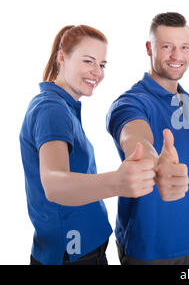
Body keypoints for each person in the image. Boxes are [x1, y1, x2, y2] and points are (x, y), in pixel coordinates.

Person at [20, 25, 155, 265]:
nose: (97, 72)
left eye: (102, 65)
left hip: (80, 250)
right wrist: (118, 182)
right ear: (62, 57)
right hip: (74, 254)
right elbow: (53, 183)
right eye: (88, 61)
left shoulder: (63, 106)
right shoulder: (51, 108)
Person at [106, 12, 189, 265]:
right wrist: (154, 161)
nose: (177, 55)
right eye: (167, 47)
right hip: (146, 249)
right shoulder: (130, 103)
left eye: (184, 47)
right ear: (149, 49)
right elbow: (135, 138)